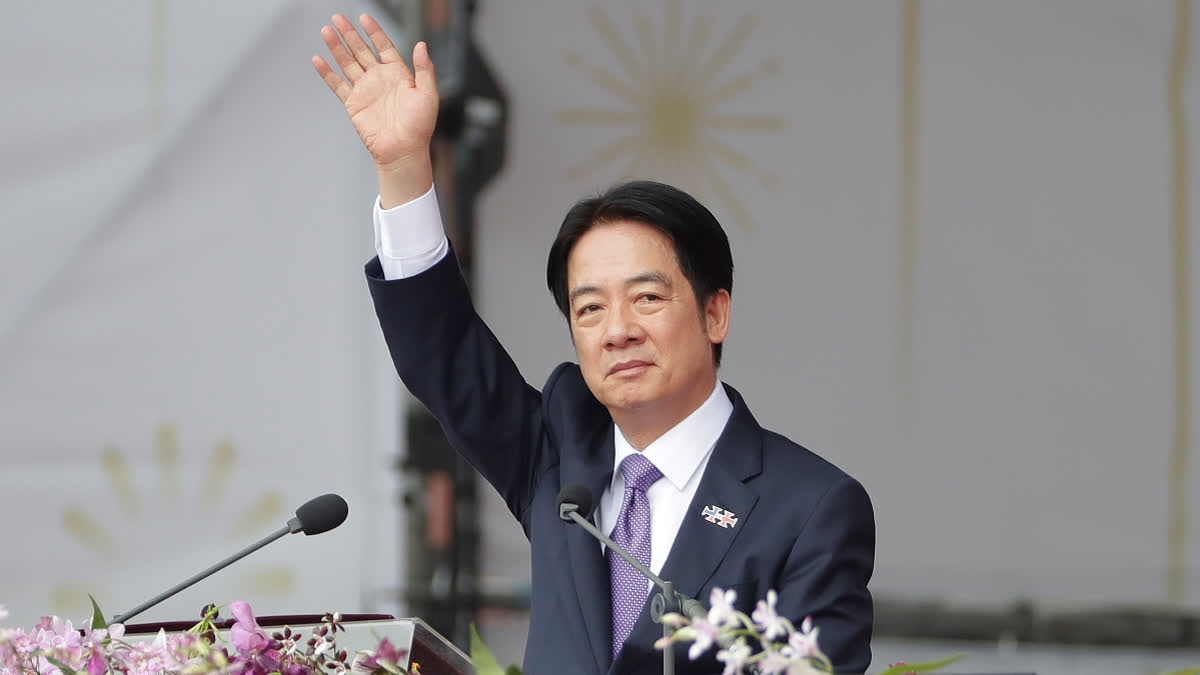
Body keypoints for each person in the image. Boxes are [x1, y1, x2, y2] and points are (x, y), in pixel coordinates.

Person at [313, 13, 875, 674]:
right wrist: (406, 167)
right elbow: (445, 358)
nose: (617, 329)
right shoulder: (560, 450)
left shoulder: (809, 506)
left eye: (646, 297)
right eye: (589, 307)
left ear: (715, 311)